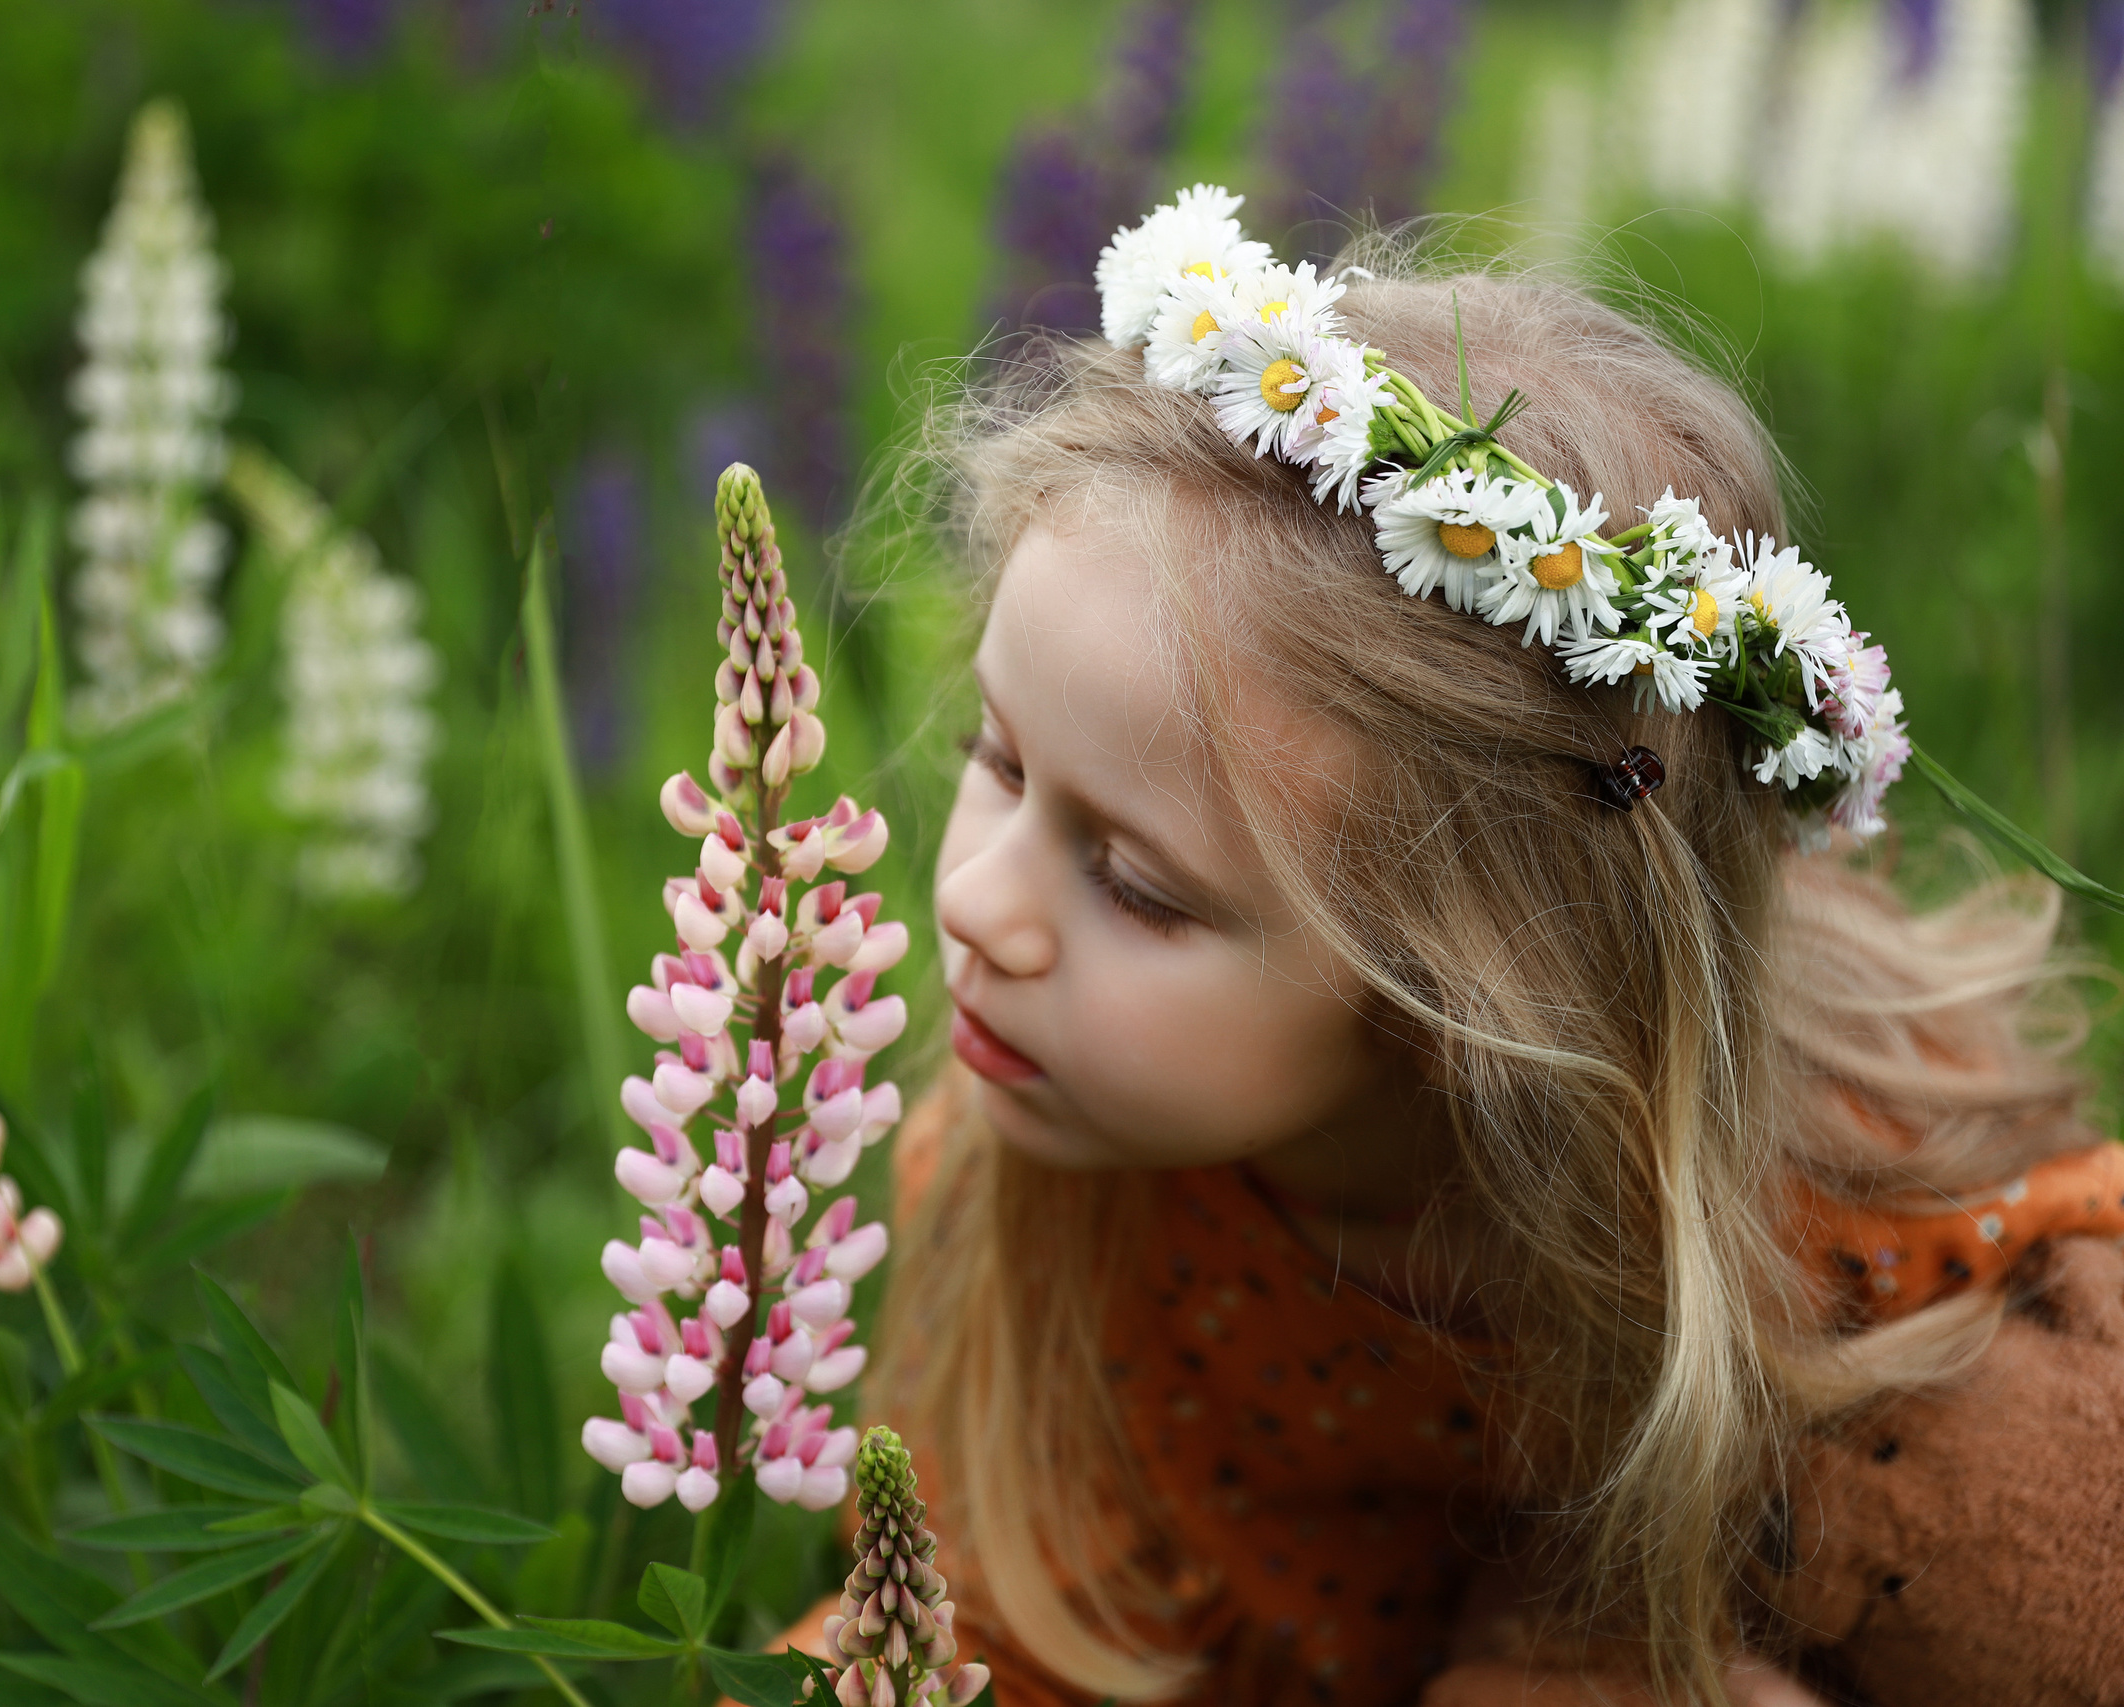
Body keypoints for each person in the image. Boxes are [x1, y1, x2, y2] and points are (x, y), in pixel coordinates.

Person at [820, 191, 2124, 1707]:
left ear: (1464, 994)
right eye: (998, 759)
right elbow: (977, 1635)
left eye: (1139, 887)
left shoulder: (1838, 1257)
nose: (979, 902)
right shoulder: (1029, 1187)